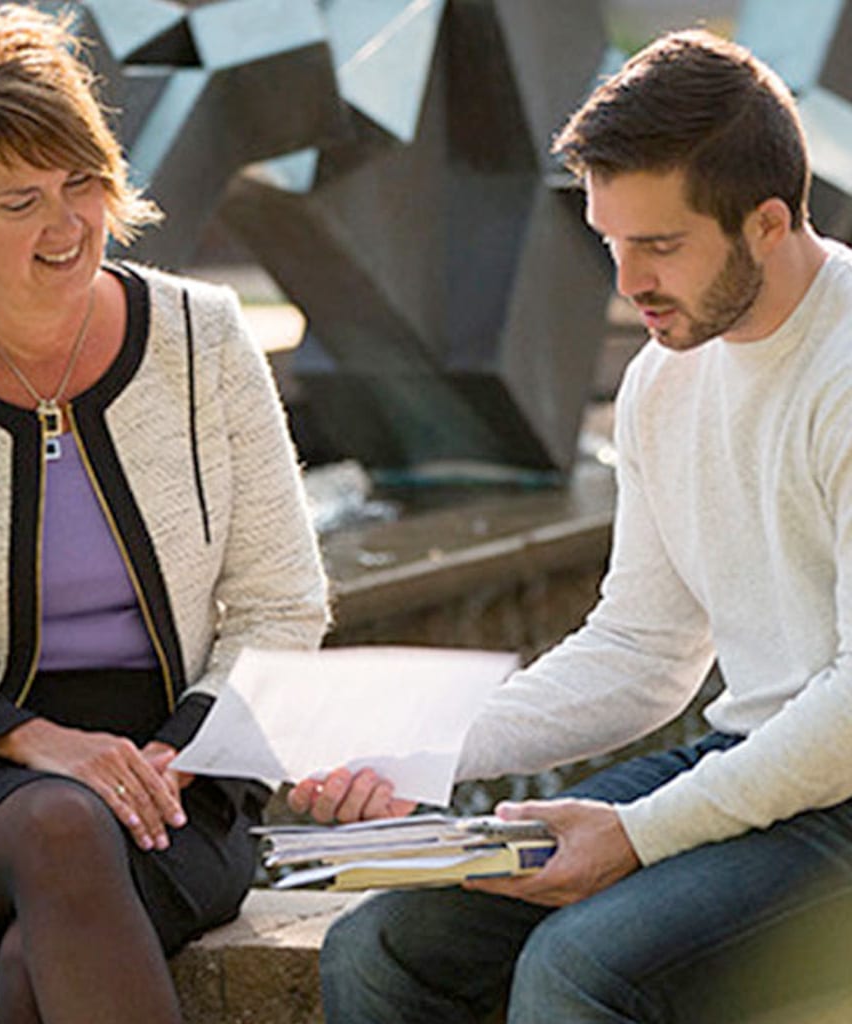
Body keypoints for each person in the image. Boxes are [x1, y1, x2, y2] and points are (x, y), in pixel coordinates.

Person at [306, 28, 852, 1023]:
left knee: (578, 967)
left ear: (767, 223)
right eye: (610, 242)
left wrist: (638, 832)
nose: (626, 282)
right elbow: (642, 649)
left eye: (659, 245)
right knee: (383, 948)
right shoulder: (662, 379)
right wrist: (418, 752)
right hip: (754, 764)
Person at [0, 6, 331, 1022]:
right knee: (60, 827)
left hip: (174, 782)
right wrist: (31, 740)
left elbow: (283, 606)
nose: (68, 228)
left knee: (33, 963)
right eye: (21, 202)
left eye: (82, 184)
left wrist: (184, 746)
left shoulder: (205, 339)